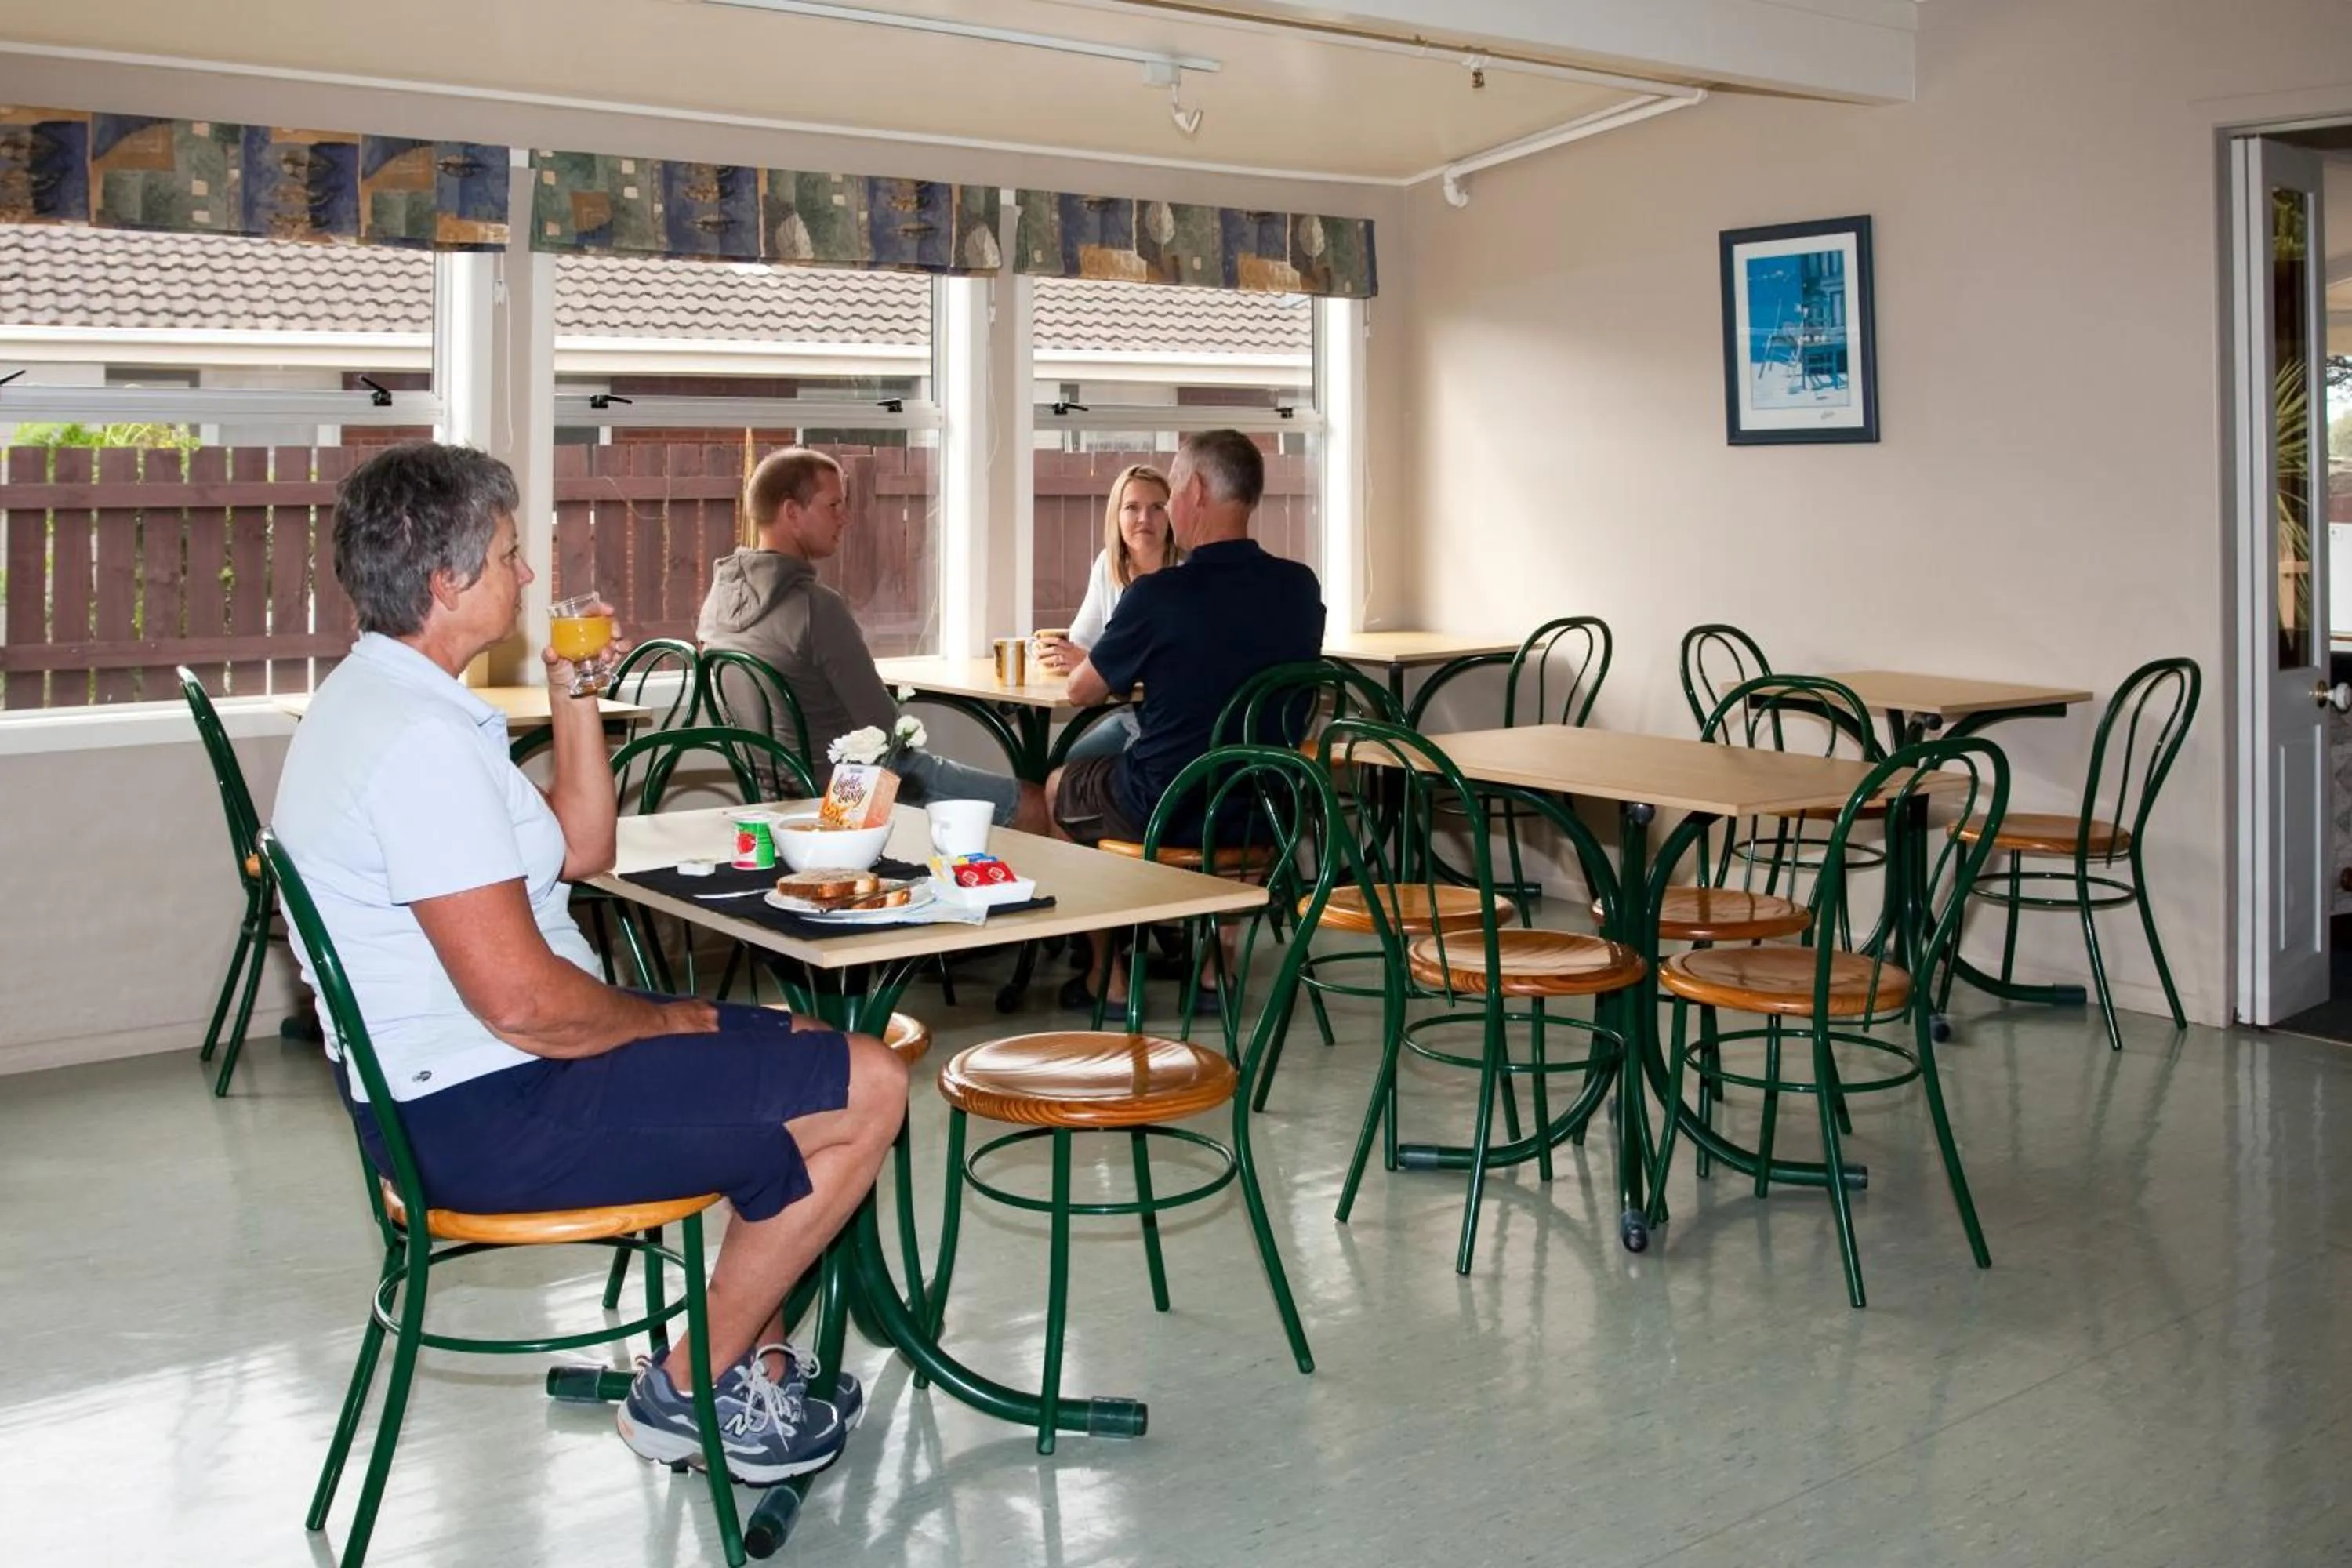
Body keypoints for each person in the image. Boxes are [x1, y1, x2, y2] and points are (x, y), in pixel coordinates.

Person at [273, 442, 906, 1485]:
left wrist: (575, 694)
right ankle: (690, 1390)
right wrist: (671, 1022)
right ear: (448, 580)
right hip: (487, 1114)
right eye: (514, 555)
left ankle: (762, 1365)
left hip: (472, 1083)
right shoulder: (417, 746)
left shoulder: (397, 704)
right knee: (869, 1084)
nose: (528, 577)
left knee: (799, 1045)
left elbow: (582, 849)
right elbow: (525, 1005)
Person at [1045, 430, 1326, 1006]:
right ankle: (1213, 966)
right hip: (1264, 807)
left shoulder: (1160, 595)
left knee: (1058, 787)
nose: (1168, 504)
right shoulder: (1301, 589)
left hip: (1167, 808)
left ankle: (1109, 977)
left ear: (1195, 490)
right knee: (1221, 778)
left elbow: (1079, 691)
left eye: (1172, 487)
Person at [699, 448, 1049, 832]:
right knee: (1036, 802)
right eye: (833, 505)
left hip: (773, 793)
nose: (844, 518)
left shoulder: (716, 603)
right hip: (845, 792)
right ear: (792, 512)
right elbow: (885, 729)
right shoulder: (817, 609)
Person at [1031, 463, 1180, 764]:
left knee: (1076, 778)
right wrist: (1054, 651)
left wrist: (1092, 663)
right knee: (1062, 767)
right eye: (1132, 508)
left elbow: (1177, 669)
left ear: (1172, 515)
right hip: (1130, 719)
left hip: (1174, 725)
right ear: (1117, 516)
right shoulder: (1108, 567)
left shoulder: (1187, 573)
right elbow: (1083, 642)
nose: (1144, 518)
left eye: (1157, 508)